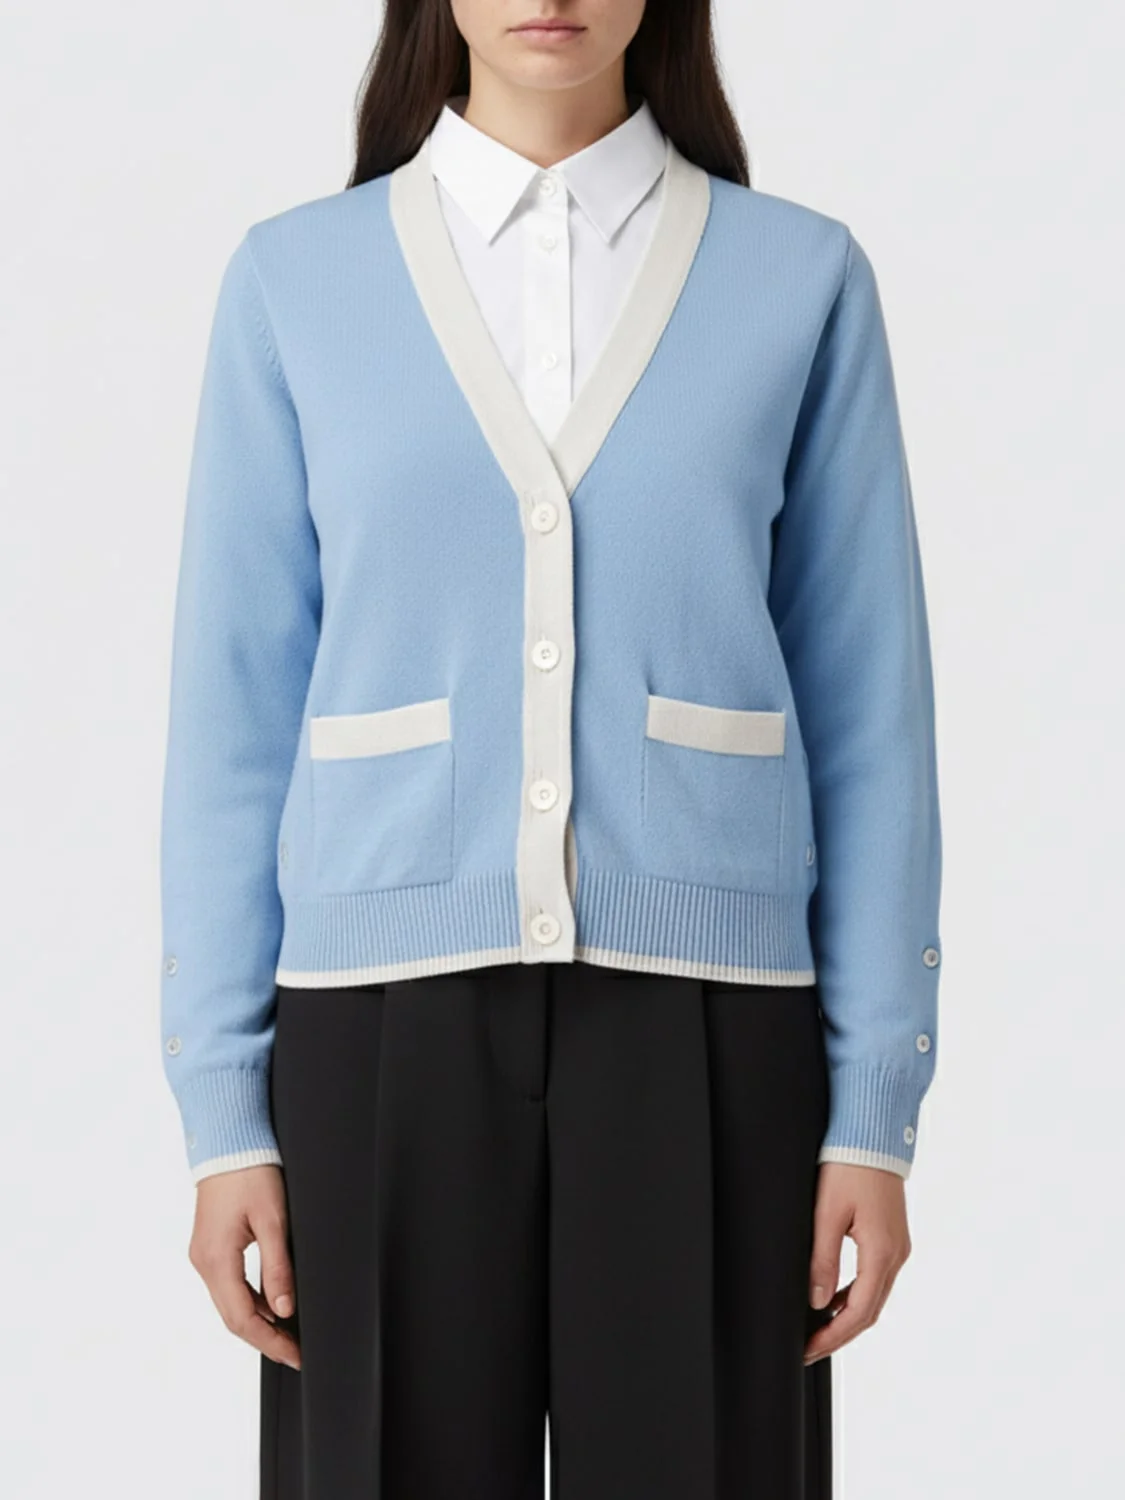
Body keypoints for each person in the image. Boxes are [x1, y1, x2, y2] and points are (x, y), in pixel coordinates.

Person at [159, 3, 943, 1496]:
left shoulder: (801, 281)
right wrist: (222, 1114)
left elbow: (871, 718)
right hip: (374, 1030)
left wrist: (875, 1109)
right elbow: (231, 720)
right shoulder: (293, 284)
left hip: (712, 1029)